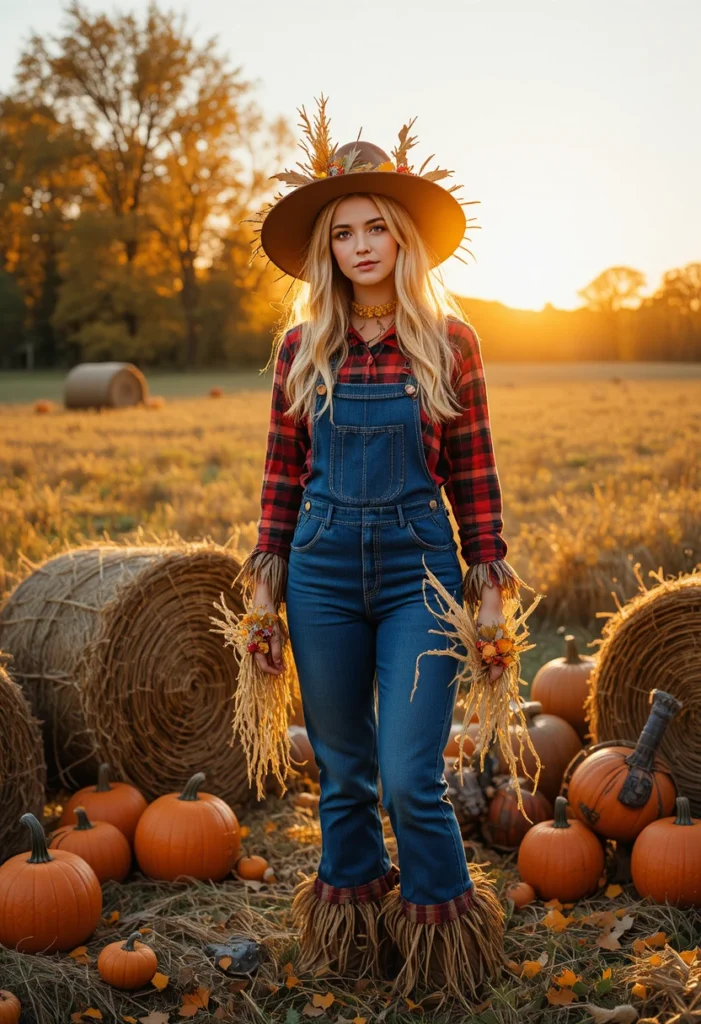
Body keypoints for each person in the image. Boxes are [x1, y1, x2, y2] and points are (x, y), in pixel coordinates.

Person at [233, 100, 530, 1005]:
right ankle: (356, 935)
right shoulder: (301, 348)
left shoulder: (449, 343)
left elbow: (473, 476)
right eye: (343, 234)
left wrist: (489, 599)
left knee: (408, 776)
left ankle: (444, 941)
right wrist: (263, 602)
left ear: (403, 239)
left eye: (375, 229)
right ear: (325, 250)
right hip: (319, 571)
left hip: (418, 576)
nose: (360, 247)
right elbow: (280, 479)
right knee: (342, 774)